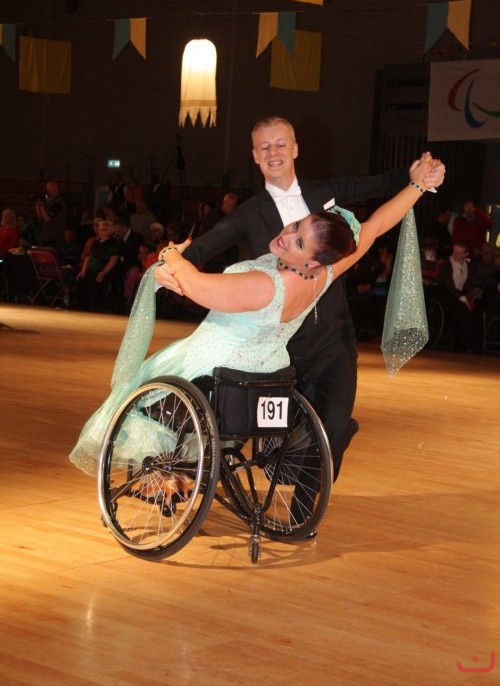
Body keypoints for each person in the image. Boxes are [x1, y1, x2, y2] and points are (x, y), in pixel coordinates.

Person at [70, 154, 438, 477]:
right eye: (296, 226)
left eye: (298, 242)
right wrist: (418, 187)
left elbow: (196, 285)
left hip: (212, 369)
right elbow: (376, 225)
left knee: (136, 401)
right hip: (262, 375)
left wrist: (169, 255)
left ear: (312, 260)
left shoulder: (266, 286)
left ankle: (171, 474)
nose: (287, 236)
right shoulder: (324, 273)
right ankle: (180, 477)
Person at [159, 116, 446, 481]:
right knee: (262, 439)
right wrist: (170, 262)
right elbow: (205, 246)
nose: (273, 153)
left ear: (295, 149)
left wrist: (420, 177)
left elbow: (377, 191)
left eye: (281, 144)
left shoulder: (326, 192)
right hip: (281, 349)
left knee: (334, 427)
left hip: (332, 338)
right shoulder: (249, 212)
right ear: (255, 155)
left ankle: (306, 503)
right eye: (264, 147)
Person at [438, 240, 483, 352]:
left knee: (473, 311)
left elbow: (483, 276)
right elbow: (450, 286)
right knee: (462, 309)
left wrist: (497, 284)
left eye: (459, 253)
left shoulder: (468, 265)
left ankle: (469, 343)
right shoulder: (447, 264)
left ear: (466, 254)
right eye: (454, 251)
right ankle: (472, 345)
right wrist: (464, 300)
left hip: (458, 294)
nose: (455, 255)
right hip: (445, 293)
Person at [75, 220, 120, 311]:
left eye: (103, 230)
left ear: (109, 231)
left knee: (95, 279)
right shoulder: (95, 243)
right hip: (93, 268)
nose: (100, 232)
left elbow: (113, 259)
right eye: (99, 229)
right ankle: (83, 304)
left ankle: (97, 305)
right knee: (81, 278)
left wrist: (103, 272)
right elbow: (88, 258)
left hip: (105, 268)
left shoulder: (113, 243)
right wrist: (83, 270)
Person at [34, 180, 66, 247]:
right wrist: (37, 205)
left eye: (49, 190)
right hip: (46, 236)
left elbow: (47, 218)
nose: (48, 192)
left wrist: (42, 206)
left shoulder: (58, 203)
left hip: (53, 238)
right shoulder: (50, 203)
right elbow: (40, 217)